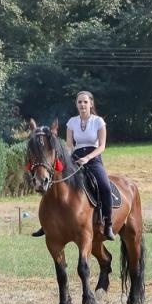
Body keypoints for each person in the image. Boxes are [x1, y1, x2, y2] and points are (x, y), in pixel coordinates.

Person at [66, 90, 116, 240]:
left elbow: (102, 146)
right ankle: (48, 223)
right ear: (76, 104)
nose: (82, 104)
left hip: (93, 158)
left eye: (85, 102)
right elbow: (69, 144)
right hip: (75, 157)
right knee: (56, 184)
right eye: (79, 102)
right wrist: (69, 159)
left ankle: (108, 223)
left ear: (91, 104)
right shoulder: (72, 122)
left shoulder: (98, 121)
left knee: (105, 187)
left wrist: (87, 158)